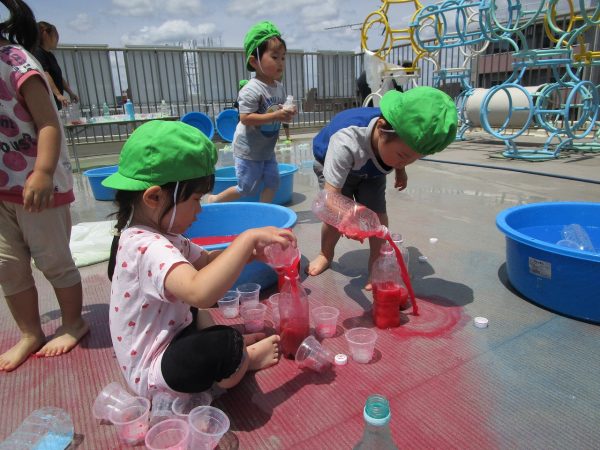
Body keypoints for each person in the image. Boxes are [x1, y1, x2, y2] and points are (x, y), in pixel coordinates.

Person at [103, 120, 294, 397]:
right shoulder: (146, 246)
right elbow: (201, 293)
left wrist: (250, 255)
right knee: (224, 344)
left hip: (170, 335)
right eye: (195, 200)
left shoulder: (159, 234)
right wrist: (247, 239)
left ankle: (234, 353)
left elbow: (205, 263)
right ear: (154, 197)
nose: (199, 210)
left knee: (201, 316)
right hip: (154, 371)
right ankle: (245, 360)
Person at [0, 0, 88, 372]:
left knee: (53, 261)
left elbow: (48, 123)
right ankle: (30, 332)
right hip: (2, 189)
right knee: (7, 266)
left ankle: (73, 323)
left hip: (39, 187)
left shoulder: (16, 62)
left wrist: (43, 172)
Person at [306, 87, 458, 290]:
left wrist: (400, 169)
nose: (404, 162)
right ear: (381, 129)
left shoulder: (398, 143)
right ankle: (325, 254)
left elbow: (405, 150)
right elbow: (330, 198)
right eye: (403, 157)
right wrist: (344, 218)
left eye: (414, 159)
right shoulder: (346, 141)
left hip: (373, 167)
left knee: (378, 217)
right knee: (334, 218)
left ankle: (376, 266)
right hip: (333, 163)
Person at [206, 21, 296, 204]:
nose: (280, 63)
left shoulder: (278, 87)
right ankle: (215, 199)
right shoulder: (251, 89)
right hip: (248, 149)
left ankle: (265, 212)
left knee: (273, 182)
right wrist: (275, 116)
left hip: (266, 148)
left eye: (283, 58)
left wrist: (288, 111)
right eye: (275, 57)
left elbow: (277, 110)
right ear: (254, 61)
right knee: (246, 187)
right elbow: (245, 118)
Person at [33, 21, 78, 110]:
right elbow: (45, 74)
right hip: (46, 103)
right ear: (45, 35)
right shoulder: (38, 53)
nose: (58, 39)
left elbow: (58, 76)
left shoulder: (50, 55)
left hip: (55, 103)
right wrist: (58, 94)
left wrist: (70, 92)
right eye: (56, 35)